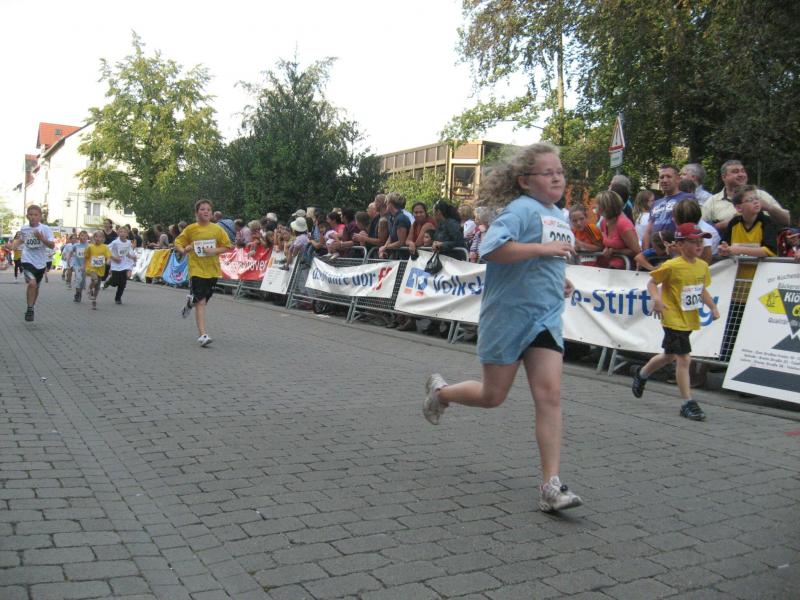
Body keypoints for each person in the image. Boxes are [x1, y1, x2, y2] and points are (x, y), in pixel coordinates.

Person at [423, 142, 583, 513]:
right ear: (525, 181)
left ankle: (551, 486)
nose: (557, 178)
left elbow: (544, 260)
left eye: (560, 171)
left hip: (545, 318)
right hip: (508, 316)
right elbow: (492, 249)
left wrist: (558, 279)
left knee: (550, 396)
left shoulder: (559, 215)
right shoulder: (521, 210)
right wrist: (543, 252)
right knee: (493, 396)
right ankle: (442, 393)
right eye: (548, 172)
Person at [631, 223, 720, 421]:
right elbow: (652, 282)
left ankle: (642, 374)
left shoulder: (702, 266)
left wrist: (712, 307)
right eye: (693, 242)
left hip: (688, 317)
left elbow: (701, 289)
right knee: (684, 359)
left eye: (701, 241)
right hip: (672, 316)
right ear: (680, 245)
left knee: (669, 356)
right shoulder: (671, 265)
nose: (699, 245)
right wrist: (657, 299)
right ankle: (688, 403)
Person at [175, 200, 233, 347]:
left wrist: (214, 250)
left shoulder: (217, 229)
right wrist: (184, 250)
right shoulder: (190, 229)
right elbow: (178, 243)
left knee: (203, 300)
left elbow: (228, 246)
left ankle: (190, 303)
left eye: (208, 209)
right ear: (196, 213)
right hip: (196, 269)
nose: (206, 211)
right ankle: (203, 335)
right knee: (201, 302)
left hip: (212, 270)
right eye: (202, 209)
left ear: (211, 213)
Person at [703, 161, 790, 233]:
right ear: (724, 177)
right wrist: (726, 224)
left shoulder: (761, 195)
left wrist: (769, 207)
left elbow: (787, 221)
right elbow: (701, 228)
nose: (741, 174)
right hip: (728, 246)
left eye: (743, 171)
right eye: (735, 172)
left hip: (764, 244)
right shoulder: (712, 201)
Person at [11, 205, 55, 322]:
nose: (33, 217)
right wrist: (13, 245)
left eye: (36, 215)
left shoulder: (45, 229)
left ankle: (31, 307)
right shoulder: (24, 228)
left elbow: (52, 245)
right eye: (31, 214)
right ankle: (30, 309)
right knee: (32, 283)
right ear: (27, 216)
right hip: (27, 260)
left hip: (40, 263)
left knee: (36, 287)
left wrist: (41, 238)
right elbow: (21, 240)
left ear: (40, 216)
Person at [643, 164, 691, 249]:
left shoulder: (687, 198)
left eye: (669, 176)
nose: (664, 180)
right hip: (654, 252)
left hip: (676, 250)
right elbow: (648, 231)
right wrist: (645, 252)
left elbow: (690, 227)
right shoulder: (655, 203)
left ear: (678, 179)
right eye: (661, 177)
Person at [596, 190, 641, 269]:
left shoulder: (623, 224)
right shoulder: (604, 222)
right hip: (608, 267)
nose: (595, 207)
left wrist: (615, 251)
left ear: (606, 207)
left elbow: (636, 251)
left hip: (624, 269)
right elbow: (608, 244)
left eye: (598, 204)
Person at [672, 198, 719, 263]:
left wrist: (679, 251)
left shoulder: (702, 231)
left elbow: (706, 260)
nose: (672, 219)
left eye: (674, 217)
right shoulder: (689, 228)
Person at [107, 226, 137, 304]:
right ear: (118, 233)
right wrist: (113, 258)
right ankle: (110, 281)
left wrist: (133, 257)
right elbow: (107, 250)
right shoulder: (115, 242)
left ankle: (118, 298)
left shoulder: (128, 242)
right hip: (116, 264)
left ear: (127, 234)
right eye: (121, 232)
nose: (122, 233)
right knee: (115, 282)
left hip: (125, 264)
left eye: (124, 232)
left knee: (123, 283)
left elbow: (129, 252)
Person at [84, 230, 111, 310]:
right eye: (96, 236)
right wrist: (84, 266)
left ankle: (94, 300)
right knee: (95, 280)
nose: (98, 238)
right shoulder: (90, 247)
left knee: (97, 287)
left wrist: (108, 261)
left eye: (100, 237)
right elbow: (86, 256)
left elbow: (108, 256)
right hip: (91, 267)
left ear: (103, 239)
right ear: (93, 238)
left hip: (100, 269)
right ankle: (89, 289)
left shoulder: (105, 247)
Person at [71, 231, 89, 303]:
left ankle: (79, 293)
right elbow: (70, 252)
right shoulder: (76, 245)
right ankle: (77, 294)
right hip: (77, 265)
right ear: (79, 237)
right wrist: (68, 259)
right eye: (82, 235)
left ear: (87, 237)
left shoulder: (89, 246)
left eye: (85, 236)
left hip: (85, 266)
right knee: (78, 278)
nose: (83, 237)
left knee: (82, 282)